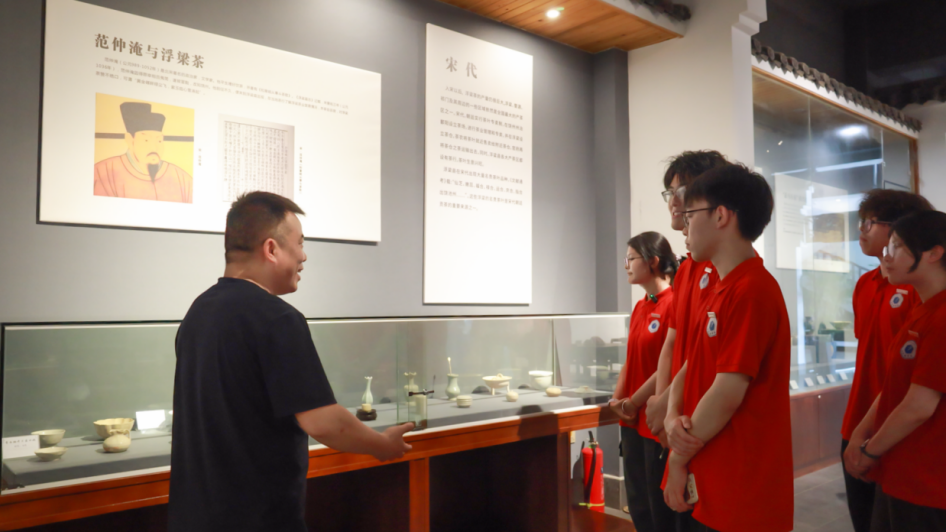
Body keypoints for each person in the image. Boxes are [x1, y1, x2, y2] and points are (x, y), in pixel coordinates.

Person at [168, 192, 413, 532]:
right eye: (299, 243)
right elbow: (323, 422)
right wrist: (382, 445)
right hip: (257, 519)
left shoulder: (197, 312)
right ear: (271, 249)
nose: (303, 255)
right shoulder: (277, 318)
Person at [663, 164, 793, 532]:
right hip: (710, 470)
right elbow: (693, 363)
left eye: (691, 214)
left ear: (721, 216)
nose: (685, 225)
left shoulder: (752, 291)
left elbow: (727, 392)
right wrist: (672, 415)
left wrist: (677, 457)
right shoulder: (722, 287)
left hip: (740, 483)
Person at [843, 210, 946, 532]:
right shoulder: (922, 310)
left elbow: (919, 406)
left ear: (933, 253)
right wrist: (860, 432)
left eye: (898, 247)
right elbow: (896, 386)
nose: (886, 256)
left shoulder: (941, 317)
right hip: (900, 471)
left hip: (928, 483)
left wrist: (869, 451)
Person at [609, 232, 678, 532]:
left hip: (653, 419)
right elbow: (630, 358)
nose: (626, 265)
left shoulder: (674, 303)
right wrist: (617, 401)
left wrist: (634, 402)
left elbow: (668, 367)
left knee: (658, 508)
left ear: (653, 261)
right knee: (638, 504)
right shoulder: (640, 306)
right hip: (631, 419)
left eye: (631, 258)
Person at [94, 101, 193, 203]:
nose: (154, 147)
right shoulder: (102, 172)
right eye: (146, 140)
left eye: (159, 141)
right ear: (130, 140)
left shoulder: (181, 178)